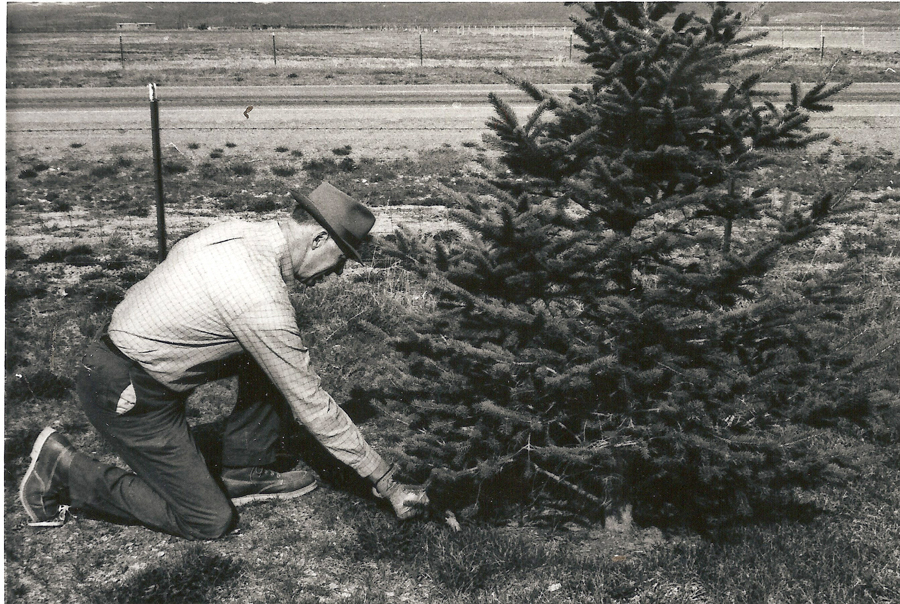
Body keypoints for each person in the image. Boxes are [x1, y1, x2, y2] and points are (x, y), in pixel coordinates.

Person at [19, 182, 429, 539]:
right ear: (320, 239)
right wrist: (386, 480)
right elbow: (312, 404)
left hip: (125, 360)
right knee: (207, 520)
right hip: (127, 393)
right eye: (341, 258)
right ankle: (64, 471)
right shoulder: (260, 298)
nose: (337, 274)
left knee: (273, 359)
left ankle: (244, 468)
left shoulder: (238, 231)